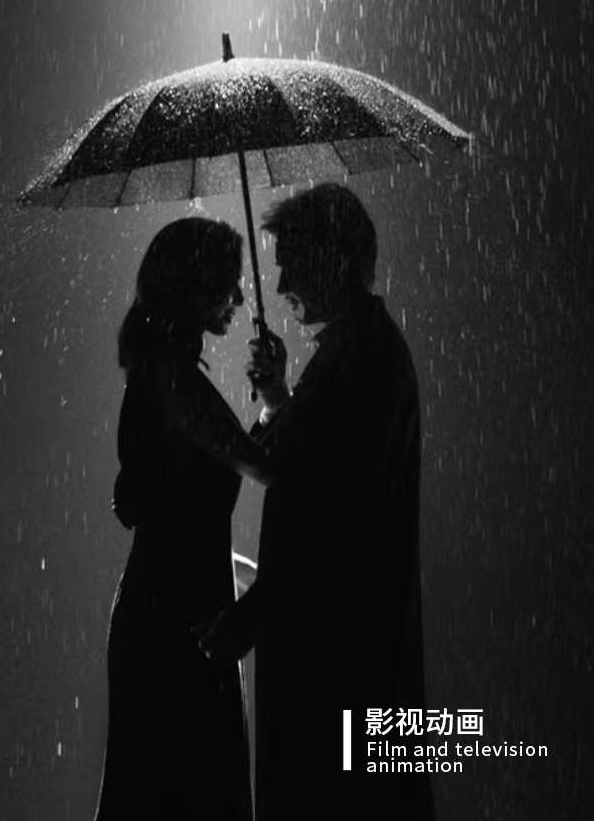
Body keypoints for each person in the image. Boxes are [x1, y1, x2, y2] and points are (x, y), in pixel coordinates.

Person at [201, 184, 436, 819]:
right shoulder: (353, 352)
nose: (279, 285)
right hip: (337, 648)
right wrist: (279, 396)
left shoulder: (364, 362)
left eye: (291, 264)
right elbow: (318, 468)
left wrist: (257, 609)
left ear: (331, 260)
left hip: (339, 656)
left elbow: (333, 516)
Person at [94, 217, 272, 821]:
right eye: (230, 283)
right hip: (175, 621)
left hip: (170, 608)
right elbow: (260, 465)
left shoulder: (161, 370)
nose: (241, 297)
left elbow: (220, 469)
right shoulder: (173, 376)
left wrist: (268, 407)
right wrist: (277, 394)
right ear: (197, 287)